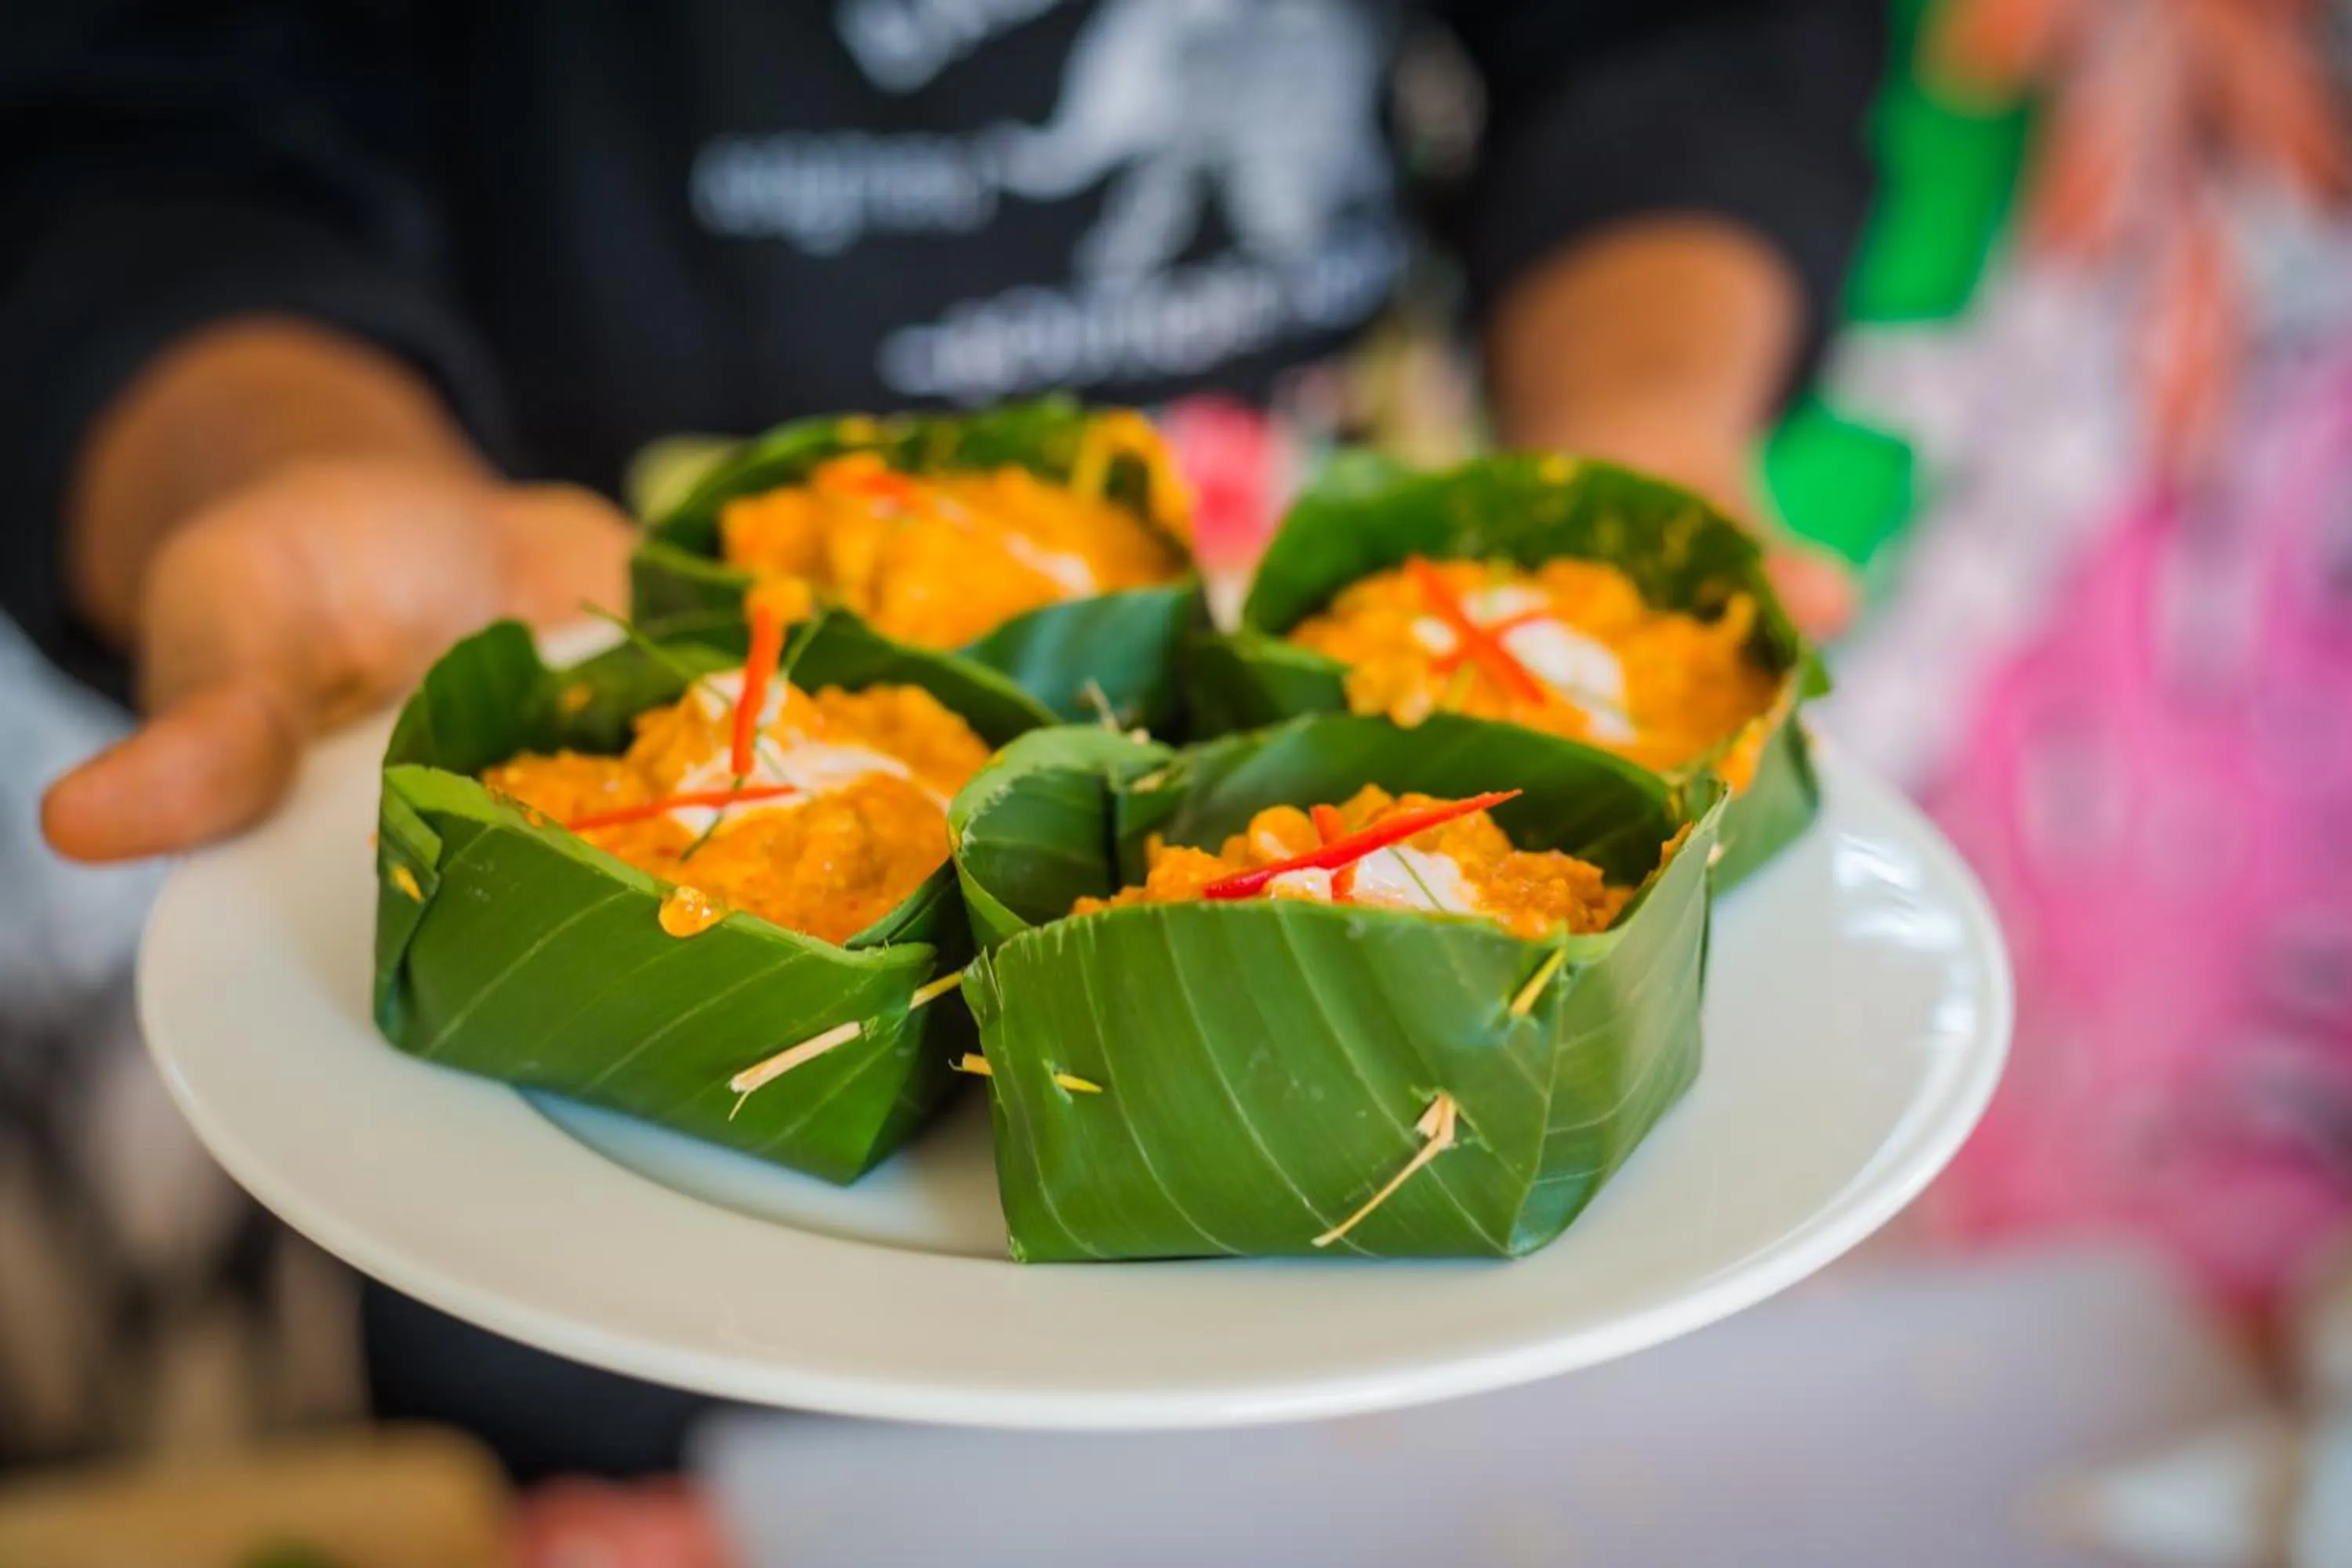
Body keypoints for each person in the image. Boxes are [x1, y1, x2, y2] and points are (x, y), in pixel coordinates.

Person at [4, 0, 1883, 1475]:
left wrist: (1640, 438)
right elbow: (134, 117)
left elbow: (1686, 33)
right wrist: (283, 460)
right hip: (575, 966)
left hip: (1432, 1254)